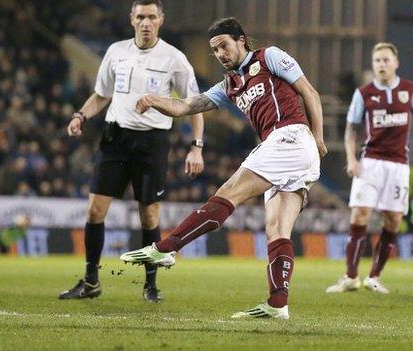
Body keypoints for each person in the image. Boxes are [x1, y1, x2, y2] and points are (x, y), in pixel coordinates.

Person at [120, 17, 328, 319]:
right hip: (287, 151)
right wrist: (154, 100)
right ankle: (278, 303)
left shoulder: (268, 57)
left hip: (291, 137)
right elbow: (186, 106)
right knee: (277, 228)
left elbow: (310, 92)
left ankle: (167, 247)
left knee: (228, 191)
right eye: (214, 50)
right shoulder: (229, 85)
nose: (219, 54)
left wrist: (319, 137)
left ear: (241, 40)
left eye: (223, 46)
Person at [59, 0, 205, 303]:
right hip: (115, 139)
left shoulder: (174, 59)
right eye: (141, 16)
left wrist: (196, 147)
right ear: (132, 19)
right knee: (95, 210)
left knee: (149, 216)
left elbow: (196, 105)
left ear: (161, 20)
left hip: (152, 143)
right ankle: (91, 281)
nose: (146, 22)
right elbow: (102, 95)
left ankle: (150, 285)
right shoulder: (116, 52)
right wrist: (80, 115)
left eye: (152, 16)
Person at [326, 43, 413, 294]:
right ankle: (350, 276)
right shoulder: (363, 93)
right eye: (377, 61)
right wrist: (352, 159)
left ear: (396, 63)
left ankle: (374, 276)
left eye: (386, 60)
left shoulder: (408, 90)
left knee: (393, 219)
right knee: (360, 214)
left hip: (398, 165)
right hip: (370, 162)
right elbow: (351, 128)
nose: (381, 65)